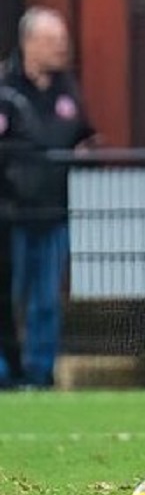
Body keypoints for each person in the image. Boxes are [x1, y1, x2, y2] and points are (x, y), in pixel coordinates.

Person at [1, 7, 95, 387]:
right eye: (52, 40)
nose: (61, 47)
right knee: (8, 297)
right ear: (29, 43)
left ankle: (39, 373)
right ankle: (6, 371)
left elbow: (81, 133)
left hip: (54, 211)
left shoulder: (67, 89)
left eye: (62, 39)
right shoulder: (7, 90)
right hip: (9, 214)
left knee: (46, 299)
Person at [0, 84, 40, 388]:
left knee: (5, 298)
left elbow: (28, 149)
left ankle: (15, 369)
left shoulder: (11, 103)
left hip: (5, 216)